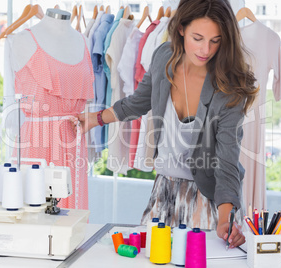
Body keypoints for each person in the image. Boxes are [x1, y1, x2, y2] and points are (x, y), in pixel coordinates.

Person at [72, 0, 258, 248]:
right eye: (198, 38)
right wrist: (95, 119)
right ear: (181, 28)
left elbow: (226, 163)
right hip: (164, 190)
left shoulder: (228, 87)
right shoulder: (163, 57)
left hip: (209, 196)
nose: (206, 49)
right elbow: (140, 101)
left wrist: (225, 219)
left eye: (216, 40)